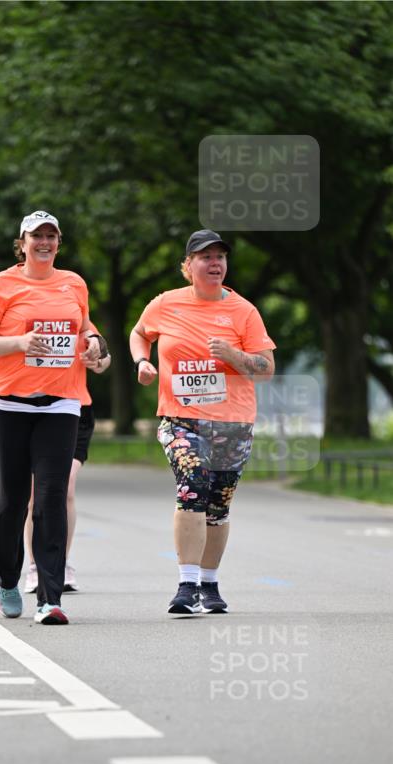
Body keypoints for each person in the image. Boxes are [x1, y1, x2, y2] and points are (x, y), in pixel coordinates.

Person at [0, 210, 107, 624]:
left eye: (51, 236)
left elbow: (84, 326)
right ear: (21, 242)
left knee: (50, 497)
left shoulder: (73, 283)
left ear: (59, 242)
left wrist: (95, 345)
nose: (44, 243)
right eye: (36, 236)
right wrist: (20, 342)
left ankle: (49, 597)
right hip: (8, 403)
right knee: (12, 501)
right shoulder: (0, 285)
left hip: (62, 402)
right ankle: (8, 580)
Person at [130, 228, 275, 614]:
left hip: (233, 422)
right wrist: (142, 361)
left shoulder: (243, 311)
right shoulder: (165, 304)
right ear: (188, 265)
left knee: (218, 505)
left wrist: (234, 355)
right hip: (181, 419)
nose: (215, 264)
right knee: (192, 487)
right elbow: (139, 333)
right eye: (206, 257)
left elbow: (265, 369)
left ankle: (209, 585)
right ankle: (186, 584)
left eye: (220, 257)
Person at [24, 324, 111, 595]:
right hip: (31, 408)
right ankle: (35, 565)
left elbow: (104, 358)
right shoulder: (21, 309)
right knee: (34, 494)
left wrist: (97, 359)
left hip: (74, 408)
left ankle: (61, 562)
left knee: (66, 489)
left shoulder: (73, 311)